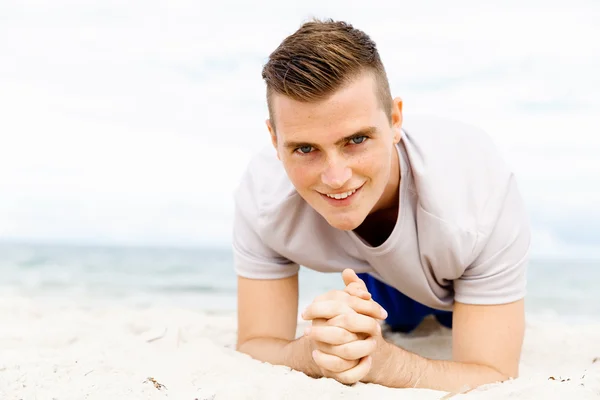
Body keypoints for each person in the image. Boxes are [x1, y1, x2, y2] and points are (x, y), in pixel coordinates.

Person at [232, 18, 530, 393]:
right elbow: (254, 344)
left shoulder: (474, 194)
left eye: (356, 139)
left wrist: (386, 363)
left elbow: (493, 372)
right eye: (305, 149)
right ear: (274, 140)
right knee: (374, 317)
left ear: (394, 119)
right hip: (370, 279)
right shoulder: (264, 197)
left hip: (449, 280)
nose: (336, 177)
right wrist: (309, 354)